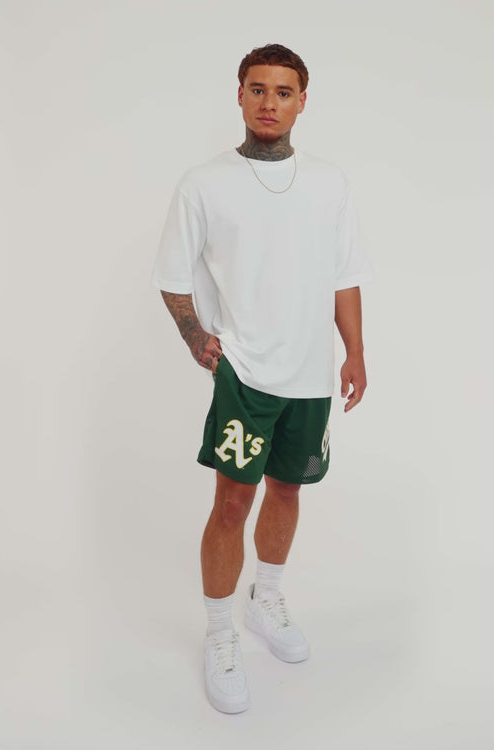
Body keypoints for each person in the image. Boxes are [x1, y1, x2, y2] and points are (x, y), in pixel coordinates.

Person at [152, 43, 372, 714]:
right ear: (240, 96)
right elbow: (172, 275)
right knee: (231, 502)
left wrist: (355, 352)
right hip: (245, 371)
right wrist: (197, 338)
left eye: (282, 91)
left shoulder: (329, 183)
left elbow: (343, 275)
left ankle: (266, 599)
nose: (268, 102)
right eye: (257, 89)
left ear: (302, 101)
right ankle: (220, 632)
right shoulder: (204, 183)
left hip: (309, 374)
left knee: (288, 488)